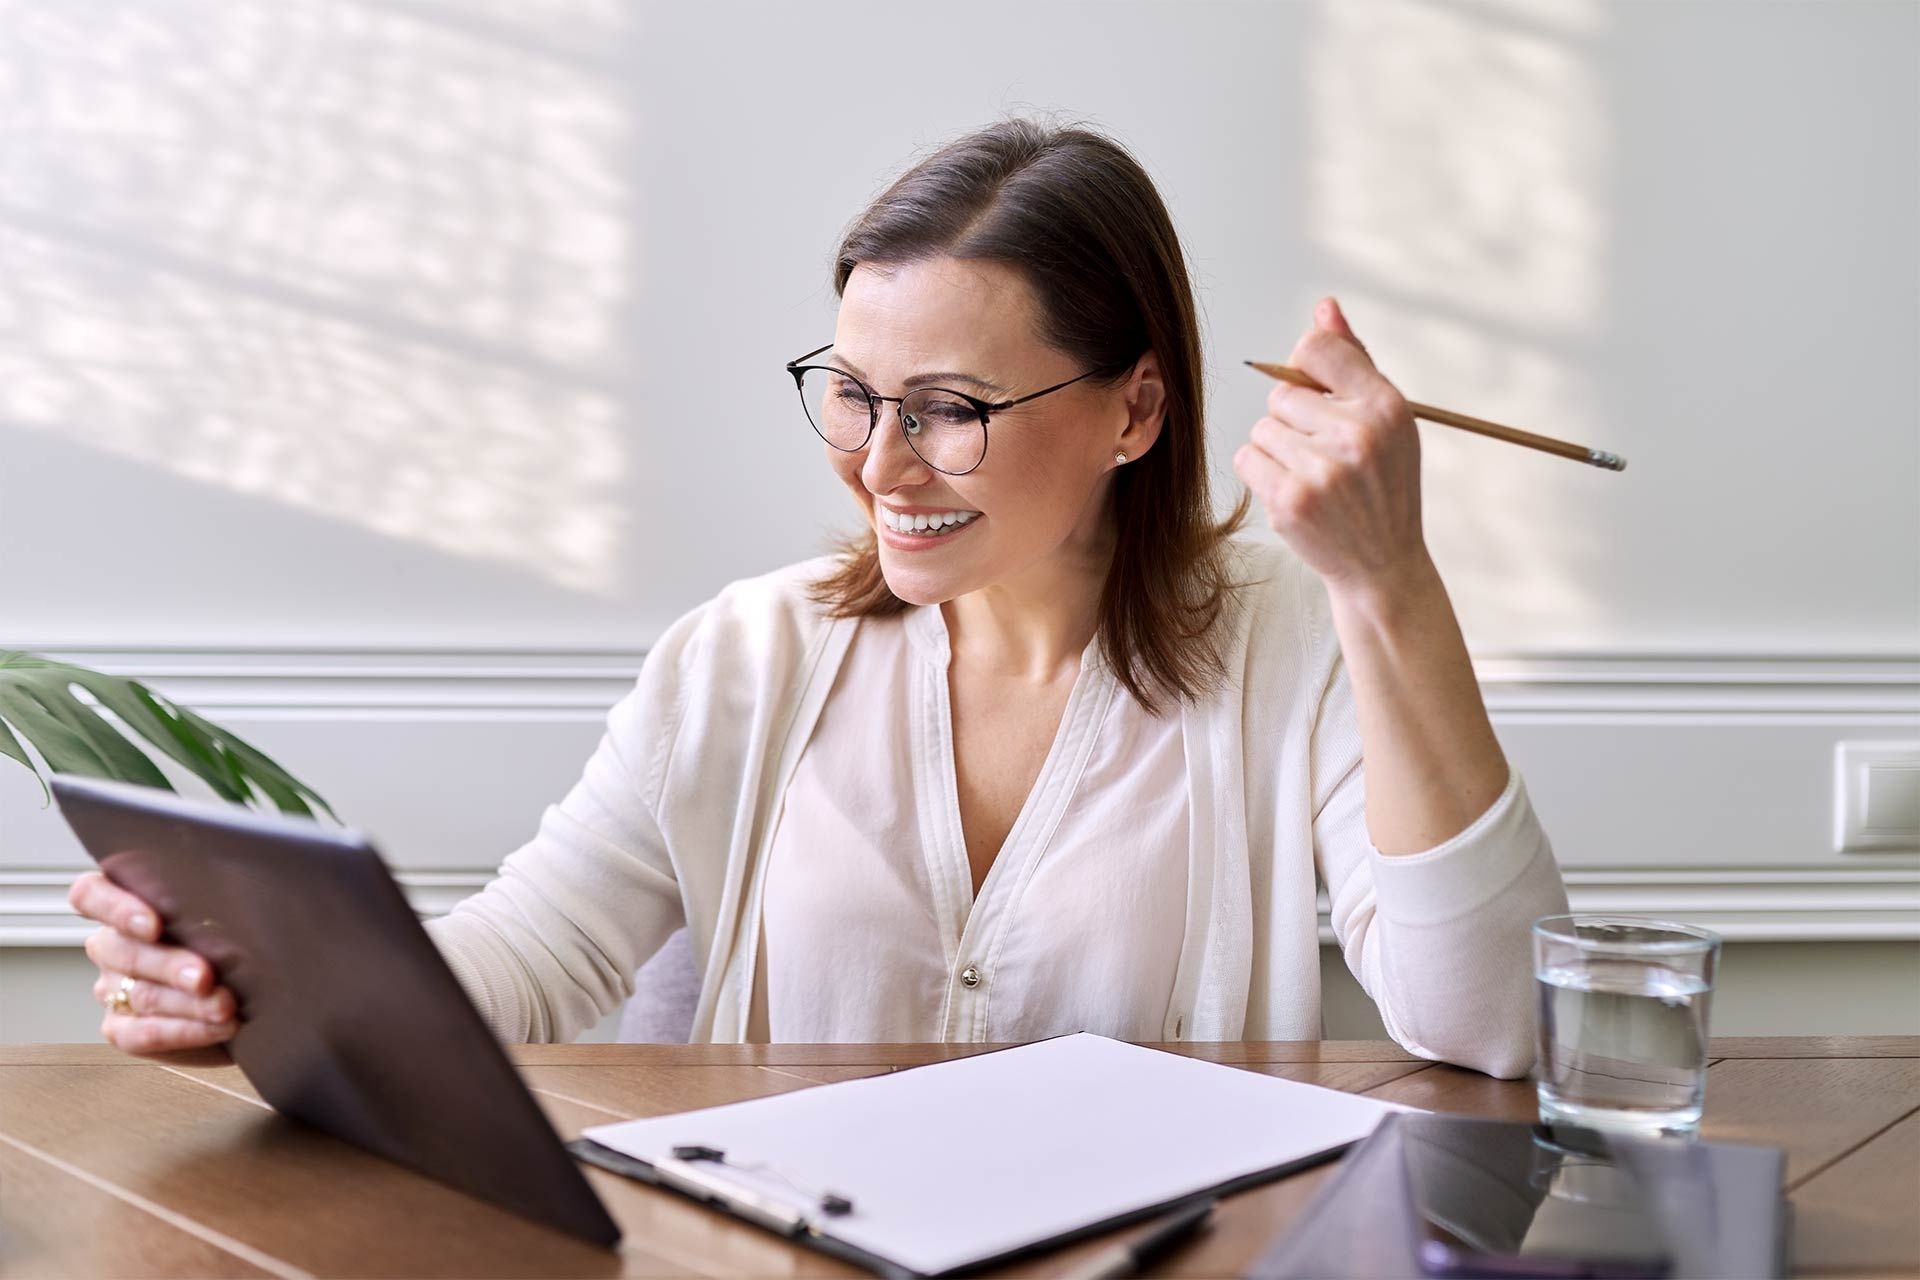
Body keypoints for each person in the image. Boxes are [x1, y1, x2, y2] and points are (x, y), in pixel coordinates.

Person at [68, 117, 1568, 1078]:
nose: (881, 464)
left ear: (1135, 411)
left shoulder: (1293, 642)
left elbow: (1496, 1021)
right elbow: (533, 956)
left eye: (952, 406)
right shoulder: (743, 657)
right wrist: (261, 988)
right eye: (854, 394)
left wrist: (1391, 582)